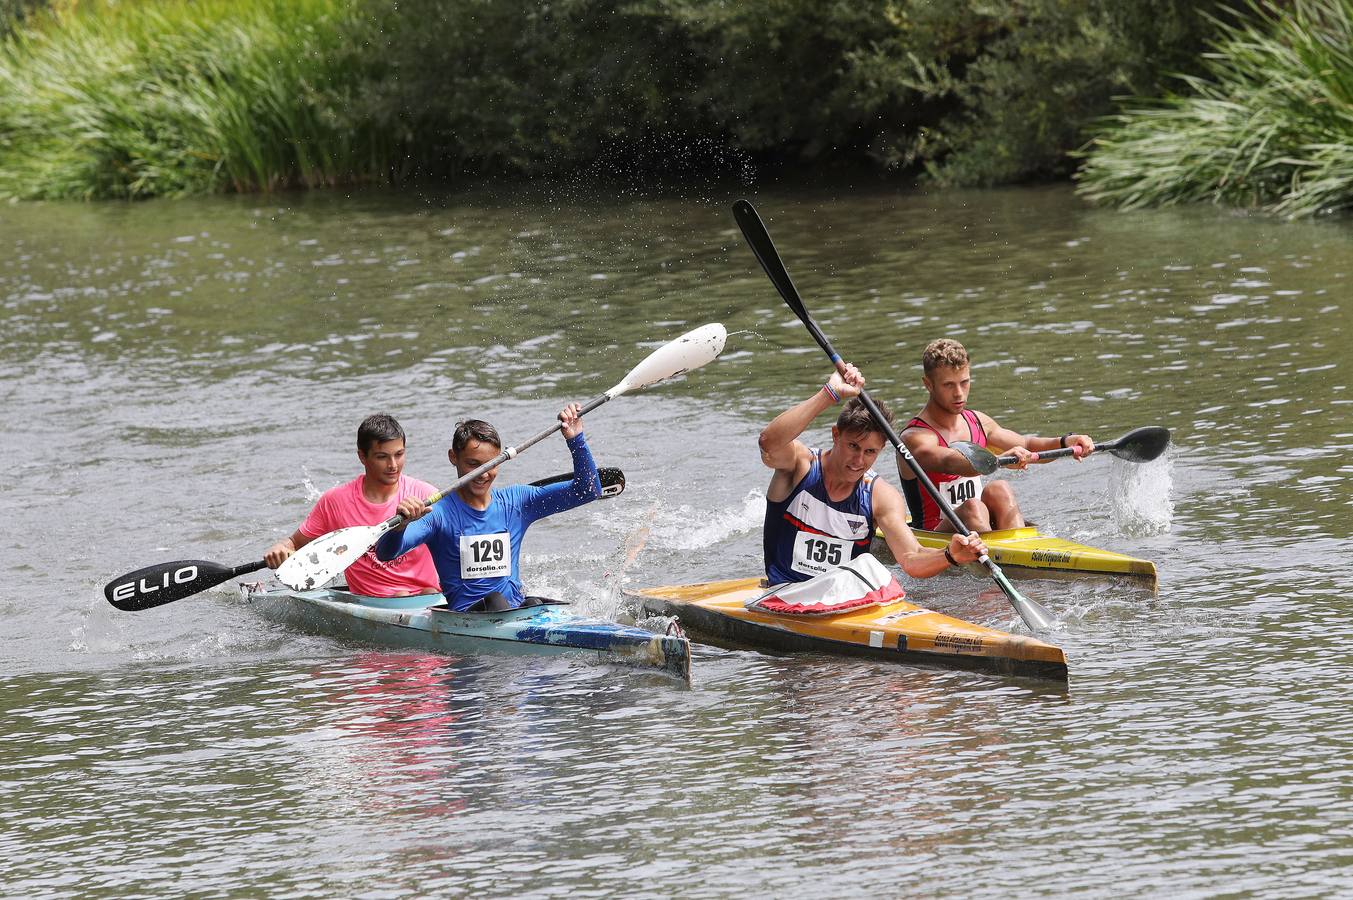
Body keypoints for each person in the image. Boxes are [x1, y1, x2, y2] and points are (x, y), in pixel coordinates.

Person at [760, 363, 985, 585]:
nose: (859, 461)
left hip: (842, 600)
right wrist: (830, 393)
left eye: (870, 452)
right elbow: (769, 443)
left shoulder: (881, 496)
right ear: (836, 435)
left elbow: (911, 557)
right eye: (853, 446)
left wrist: (950, 555)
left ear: (881, 449)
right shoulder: (800, 466)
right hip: (784, 592)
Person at [374, 403, 602, 612]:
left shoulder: (517, 502)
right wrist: (400, 527)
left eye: (490, 465)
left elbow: (588, 490)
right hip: (468, 618)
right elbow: (385, 554)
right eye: (473, 464)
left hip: (514, 611)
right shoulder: (438, 514)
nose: (483, 474)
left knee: (535, 603)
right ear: (453, 457)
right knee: (495, 600)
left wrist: (576, 438)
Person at [900, 338, 1095, 532]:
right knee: (972, 507)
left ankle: (1018, 546)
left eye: (964, 382)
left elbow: (1027, 444)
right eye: (948, 385)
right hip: (933, 533)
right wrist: (998, 460)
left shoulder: (978, 422)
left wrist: (1066, 442)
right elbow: (949, 461)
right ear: (928, 384)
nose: (959, 393)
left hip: (977, 525)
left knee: (999, 489)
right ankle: (999, 548)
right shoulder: (914, 438)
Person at [264, 413, 440, 597]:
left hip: (429, 597)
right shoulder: (335, 501)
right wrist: (280, 549)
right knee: (401, 595)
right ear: (362, 456)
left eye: (399, 454)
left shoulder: (425, 495)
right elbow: (294, 543)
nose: (393, 465)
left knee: (427, 592)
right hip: (374, 602)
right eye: (382, 457)